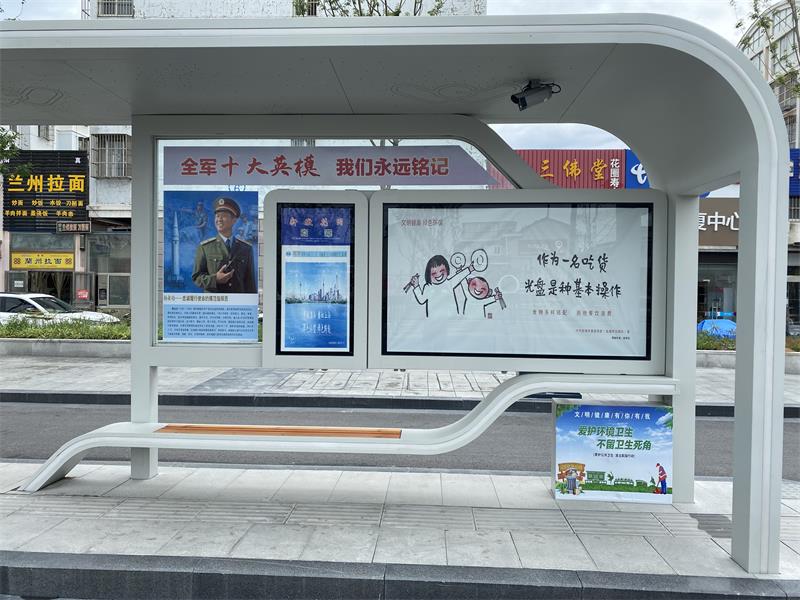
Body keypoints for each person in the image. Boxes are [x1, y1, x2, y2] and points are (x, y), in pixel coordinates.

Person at [192, 197, 256, 293]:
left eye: (223, 216)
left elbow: (250, 284)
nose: (219, 219)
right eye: (217, 216)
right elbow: (196, 277)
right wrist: (215, 279)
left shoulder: (246, 248)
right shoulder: (205, 247)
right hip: (215, 301)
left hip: (238, 302)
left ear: (234, 220)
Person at [407, 254, 473, 319]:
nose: (438, 275)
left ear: (447, 270)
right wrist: (416, 286)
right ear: (428, 275)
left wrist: (469, 269)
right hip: (434, 319)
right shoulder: (428, 287)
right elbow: (421, 300)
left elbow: (459, 277)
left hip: (450, 318)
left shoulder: (449, 283)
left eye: (442, 271)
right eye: (434, 273)